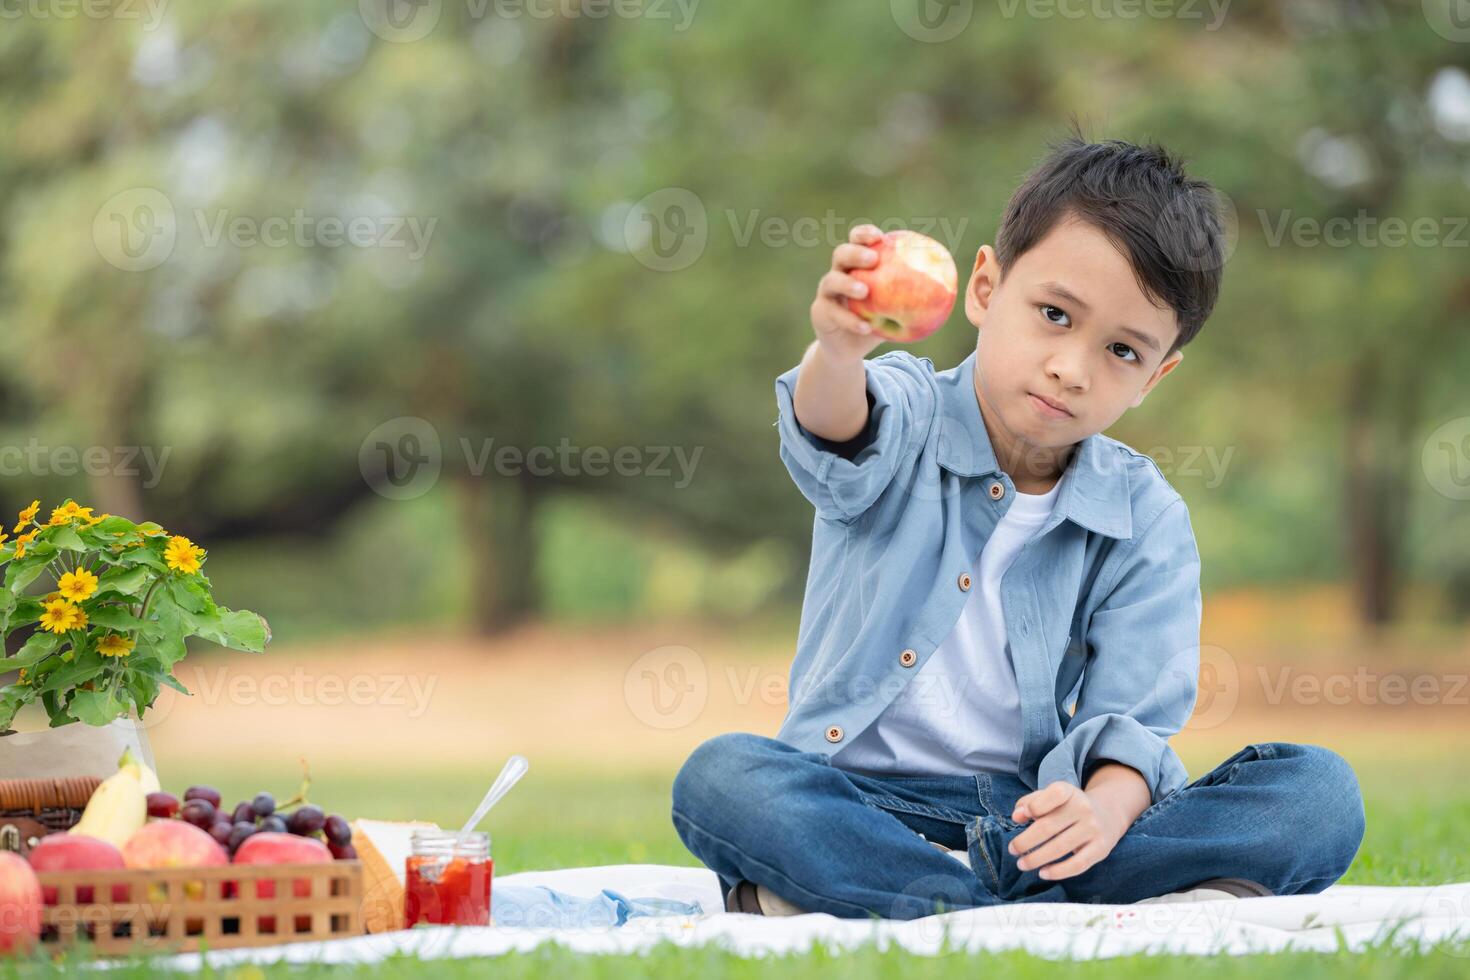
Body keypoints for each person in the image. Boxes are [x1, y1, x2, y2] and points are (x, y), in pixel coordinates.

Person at [670, 133, 1366, 919]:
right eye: (1054, 314)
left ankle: (890, 894)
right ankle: (963, 898)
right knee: (722, 779)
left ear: (1156, 377)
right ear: (985, 287)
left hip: (1034, 820)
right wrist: (839, 351)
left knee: (1318, 794)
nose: (1073, 367)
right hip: (857, 797)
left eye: (1122, 351)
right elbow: (838, 431)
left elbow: (1131, 718)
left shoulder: (1145, 517)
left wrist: (1100, 815)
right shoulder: (906, 410)